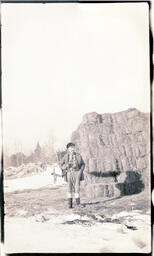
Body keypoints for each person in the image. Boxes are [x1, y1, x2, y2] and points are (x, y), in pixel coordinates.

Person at [60, 142, 85, 208]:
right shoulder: (65, 156)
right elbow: (60, 164)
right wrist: (64, 167)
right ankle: (70, 204)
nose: (72, 149)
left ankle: (78, 204)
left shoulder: (78, 155)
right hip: (69, 173)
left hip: (77, 173)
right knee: (69, 188)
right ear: (68, 149)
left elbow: (83, 164)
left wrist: (81, 171)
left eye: (73, 147)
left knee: (77, 188)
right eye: (71, 148)